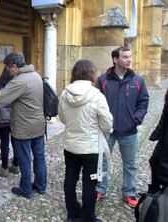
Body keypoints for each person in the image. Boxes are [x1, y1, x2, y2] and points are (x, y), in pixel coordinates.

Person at [59, 60, 113, 222]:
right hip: (91, 148)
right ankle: (88, 216)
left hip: (71, 145)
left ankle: (72, 213)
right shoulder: (97, 95)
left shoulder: (65, 93)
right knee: (90, 183)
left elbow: (62, 117)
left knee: (70, 179)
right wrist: (104, 132)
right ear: (92, 74)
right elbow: (106, 122)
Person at [96, 47, 149, 208]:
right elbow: (96, 103)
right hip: (107, 130)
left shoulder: (137, 81)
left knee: (130, 164)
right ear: (115, 60)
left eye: (130, 57)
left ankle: (129, 192)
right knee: (103, 161)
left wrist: (136, 119)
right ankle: (100, 189)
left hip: (129, 131)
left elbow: (143, 102)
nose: (129, 60)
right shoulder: (103, 80)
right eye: (125, 57)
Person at [0, 52, 46, 199]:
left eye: (8, 68)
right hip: (39, 125)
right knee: (39, 157)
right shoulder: (36, 76)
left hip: (23, 127)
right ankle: (41, 186)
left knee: (24, 159)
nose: (8, 71)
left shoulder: (19, 81)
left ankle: (26, 189)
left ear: (14, 67)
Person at [0, 67, 19, 177]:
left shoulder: (0, 84)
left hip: (3, 118)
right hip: (15, 116)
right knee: (16, 142)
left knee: (5, 143)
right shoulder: (17, 84)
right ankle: (16, 165)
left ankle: (4, 168)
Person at [148, 88, 168, 193]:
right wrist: (158, 132)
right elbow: (164, 116)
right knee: (154, 161)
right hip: (164, 139)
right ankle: (154, 194)